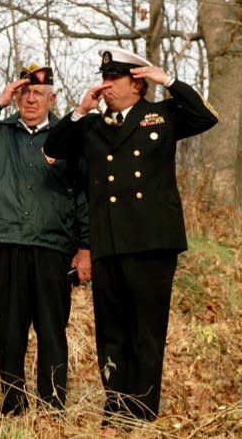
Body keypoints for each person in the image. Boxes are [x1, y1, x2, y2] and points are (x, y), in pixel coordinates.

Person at [44, 46, 218, 422]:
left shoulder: (161, 115)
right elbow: (53, 146)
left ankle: (142, 409)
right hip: (109, 243)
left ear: (136, 83)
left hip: (152, 242)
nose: (105, 85)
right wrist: (80, 110)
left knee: (146, 329)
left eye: (113, 79)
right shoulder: (91, 126)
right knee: (112, 329)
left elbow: (206, 116)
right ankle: (116, 406)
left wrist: (167, 81)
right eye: (103, 79)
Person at [0, 64, 91, 415]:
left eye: (38, 93)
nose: (30, 99)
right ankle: (13, 403)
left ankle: (53, 405)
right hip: (7, 243)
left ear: (52, 98)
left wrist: (85, 247)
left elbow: (84, 194)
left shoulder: (69, 135)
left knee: (52, 329)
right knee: (9, 329)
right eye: (24, 93)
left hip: (53, 247)